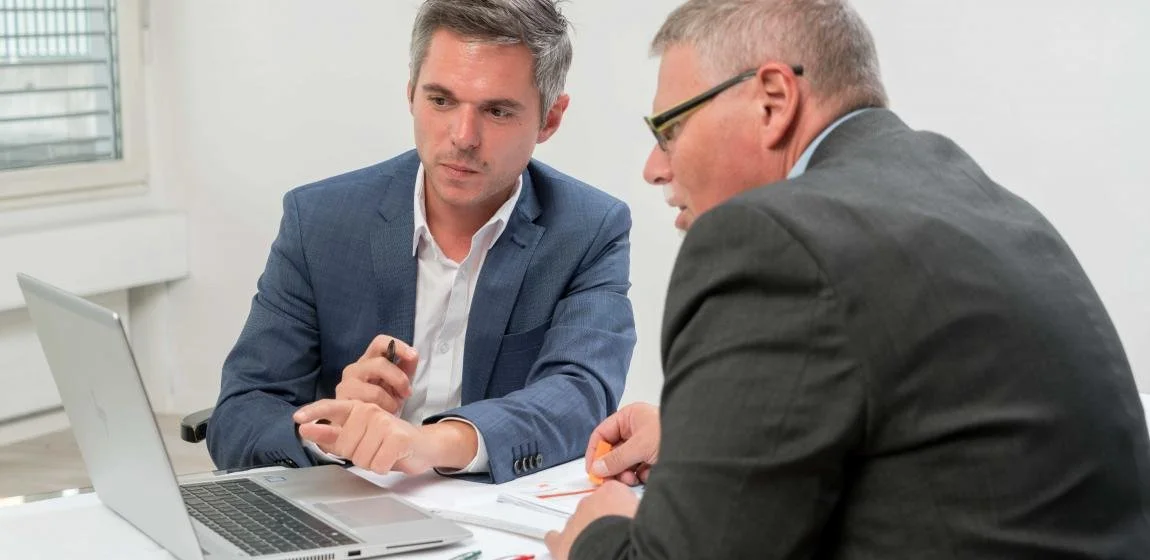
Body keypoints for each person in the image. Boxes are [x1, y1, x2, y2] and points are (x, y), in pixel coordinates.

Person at [545, 0, 1150, 557]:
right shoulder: (968, 195)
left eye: (669, 129)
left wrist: (595, 534)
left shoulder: (773, 239)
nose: (654, 168)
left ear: (773, 101)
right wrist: (703, 439)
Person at [207, 0, 637, 485]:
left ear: (550, 118)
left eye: (496, 110)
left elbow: (580, 395)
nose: (463, 136)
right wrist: (327, 433)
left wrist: (430, 444)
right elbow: (239, 414)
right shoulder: (320, 221)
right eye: (441, 100)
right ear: (411, 93)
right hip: (345, 513)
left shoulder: (588, 229)